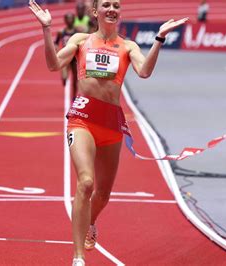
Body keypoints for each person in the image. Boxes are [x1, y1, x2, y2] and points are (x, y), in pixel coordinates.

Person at [28, 1, 188, 265]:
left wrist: (159, 38)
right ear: (95, 12)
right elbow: (54, 65)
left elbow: (144, 71)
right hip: (82, 118)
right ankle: (78, 258)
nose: (112, 8)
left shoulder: (128, 46)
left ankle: (90, 221)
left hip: (112, 123)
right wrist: (47, 29)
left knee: (102, 194)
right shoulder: (81, 40)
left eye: (116, 5)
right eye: (106, 5)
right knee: (86, 182)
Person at [54, 13, 77, 95]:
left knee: (75, 79)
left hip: (74, 57)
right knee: (64, 77)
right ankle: (64, 79)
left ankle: (74, 96)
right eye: (68, 19)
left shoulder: (77, 32)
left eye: (71, 18)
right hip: (65, 56)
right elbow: (56, 43)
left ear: (74, 20)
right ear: (65, 20)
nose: (69, 20)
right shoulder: (61, 32)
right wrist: (56, 50)